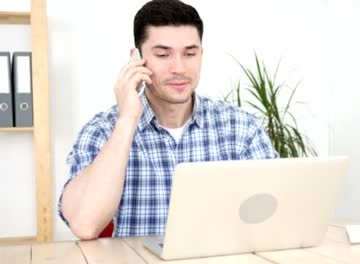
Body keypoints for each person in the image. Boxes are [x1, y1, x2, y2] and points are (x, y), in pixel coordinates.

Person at [58, 0, 277, 240]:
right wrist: (127, 119)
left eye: (190, 53)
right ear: (136, 60)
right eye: (163, 54)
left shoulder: (241, 129)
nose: (179, 68)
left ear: (201, 55)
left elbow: (276, 216)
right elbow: (84, 225)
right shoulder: (102, 130)